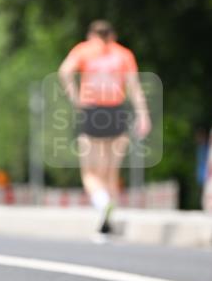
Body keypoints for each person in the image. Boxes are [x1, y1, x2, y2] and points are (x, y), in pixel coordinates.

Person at [58, 20, 151, 234]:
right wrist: (143, 115)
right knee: (110, 172)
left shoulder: (84, 50)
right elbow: (135, 87)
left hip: (92, 111)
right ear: (113, 36)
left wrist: (75, 98)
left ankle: (102, 204)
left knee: (90, 172)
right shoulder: (124, 54)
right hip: (117, 111)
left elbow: (64, 72)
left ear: (91, 35)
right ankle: (109, 214)